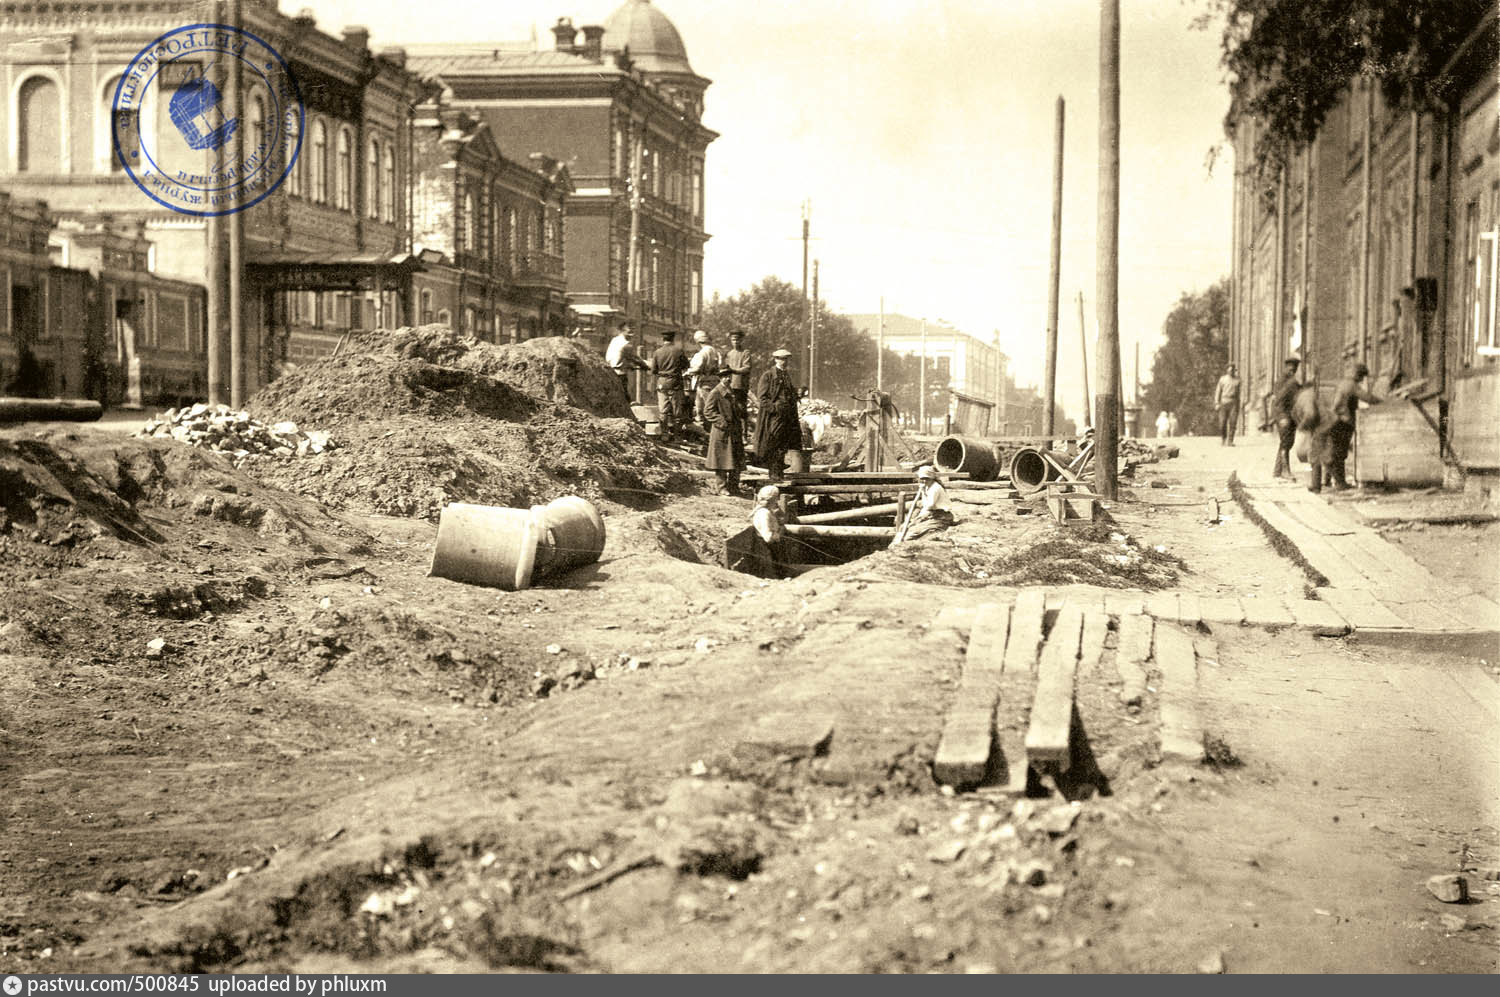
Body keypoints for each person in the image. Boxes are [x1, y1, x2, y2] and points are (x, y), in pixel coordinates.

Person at [1327, 361, 1379, 491]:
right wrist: (1383, 402)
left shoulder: (1343, 383)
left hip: (1336, 421)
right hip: (1342, 422)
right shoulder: (1351, 385)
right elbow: (1367, 398)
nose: (1362, 380)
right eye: (1361, 377)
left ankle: (1331, 481)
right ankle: (1340, 483)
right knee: (1340, 453)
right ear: (1358, 374)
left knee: (1336, 451)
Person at [752, 348, 802, 481]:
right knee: (773, 442)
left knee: (784, 443)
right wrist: (774, 409)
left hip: (787, 416)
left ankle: (779, 471)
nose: (783, 361)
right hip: (774, 417)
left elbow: (789, 395)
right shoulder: (768, 375)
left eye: (786, 359)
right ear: (775, 359)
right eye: (781, 358)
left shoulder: (787, 375)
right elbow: (762, 398)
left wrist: (798, 394)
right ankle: (774, 473)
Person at [702, 362, 745, 495]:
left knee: (735, 459)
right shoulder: (715, 392)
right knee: (721, 460)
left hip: (734, 431)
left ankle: (734, 486)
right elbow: (708, 411)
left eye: (729, 376)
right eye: (724, 376)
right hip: (722, 431)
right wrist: (722, 422)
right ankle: (721, 488)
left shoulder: (731, 391)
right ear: (720, 378)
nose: (728, 378)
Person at [892, 465, 956, 546]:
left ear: (932, 478)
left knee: (911, 534)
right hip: (931, 514)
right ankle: (894, 545)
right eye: (922, 479)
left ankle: (902, 546)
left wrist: (918, 518)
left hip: (941, 517)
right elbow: (925, 506)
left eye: (927, 478)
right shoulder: (925, 487)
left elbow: (929, 505)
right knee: (903, 528)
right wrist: (914, 520)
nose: (924, 481)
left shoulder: (935, 488)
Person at [648, 328, 689, 439]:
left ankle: (664, 435)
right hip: (676, 383)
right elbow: (686, 366)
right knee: (677, 412)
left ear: (663, 339)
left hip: (662, 384)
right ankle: (677, 437)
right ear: (673, 339)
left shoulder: (657, 352)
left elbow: (653, 371)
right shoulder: (679, 351)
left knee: (663, 410)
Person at [1270, 356, 1303, 480]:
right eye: (1291, 369)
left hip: (1286, 415)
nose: (1292, 371)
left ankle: (1277, 470)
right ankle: (1285, 471)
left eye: (1294, 369)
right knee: (1286, 443)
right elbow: (1279, 399)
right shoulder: (1288, 382)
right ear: (1287, 367)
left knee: (1286, 443)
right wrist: (1281, 417)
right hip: (1284, 416)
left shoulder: (1286, 380)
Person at [686, 330, 723, 428]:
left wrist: (688, 372)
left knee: (704, 409)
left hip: (704, 383)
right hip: (715, 381)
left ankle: (710, 432)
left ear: (698, 342)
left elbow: (698, 368)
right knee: (712, 406)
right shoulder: (715, 351)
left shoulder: (702, 353)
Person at [605, 321, 646, 403]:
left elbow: (617, 356)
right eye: (629, 332)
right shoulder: (626, 344)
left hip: (610, 370)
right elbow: (635, 358)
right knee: (624, 395)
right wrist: (645, 366)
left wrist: (629, 365)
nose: (632, 335)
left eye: (633, 332)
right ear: (623, 331)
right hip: (620, 373)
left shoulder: (615, 340)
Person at [724, 328, 753, 441]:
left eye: (737, 340)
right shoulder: (729, 354)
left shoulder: (745, 353)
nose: (735, 342)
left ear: (741, 340)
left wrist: (734, 370)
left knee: (742, 410)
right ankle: (734, 434)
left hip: (740, 386)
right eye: (733, 340)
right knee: (731, 410)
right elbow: (726, 368)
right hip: (730, 386)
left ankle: (744, 435)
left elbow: (747, 368)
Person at [1214, 363, 1242, 446]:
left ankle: (1230, 441)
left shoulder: (1238, 380)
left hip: (1234, 402)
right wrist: (1216, 403)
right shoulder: (1222, 379)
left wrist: (1241, 402)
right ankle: (1223, 439)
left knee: (1233, 422)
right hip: (1224, 402)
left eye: (1233, 370)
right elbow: (1218, 391)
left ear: (1234, 370)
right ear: (1227, 370)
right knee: (1222, 422)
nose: (1231, 372)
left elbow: (1241, 392)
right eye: (1230, 370)